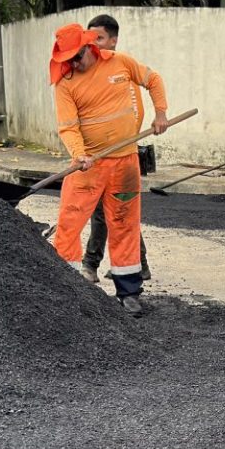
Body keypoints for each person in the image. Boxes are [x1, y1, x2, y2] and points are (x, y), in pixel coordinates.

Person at [49, 22, 168, 316]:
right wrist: (79, 154)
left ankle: (129, 292)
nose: (74, 64)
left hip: (125, 162)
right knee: (69, 221)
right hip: (88, 166)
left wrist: (161, 113)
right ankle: (68, 288)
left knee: (124, 223)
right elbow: (68, 127)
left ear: (90, 48)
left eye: (77, 57)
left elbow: (153, 80)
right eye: (68, 61)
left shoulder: (121, 62)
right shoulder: (65, 84)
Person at [79, 13, 151, 285]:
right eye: (90, 39)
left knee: (103, 210)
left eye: (98, 38)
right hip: (95, 154)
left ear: (113, 41)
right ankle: (140, 263)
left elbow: (136, 110)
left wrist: (122, 143)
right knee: (120, 212)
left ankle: (90, 264)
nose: (93, 44)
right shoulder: (90, 68)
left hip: (119, 155)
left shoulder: (122, 70)